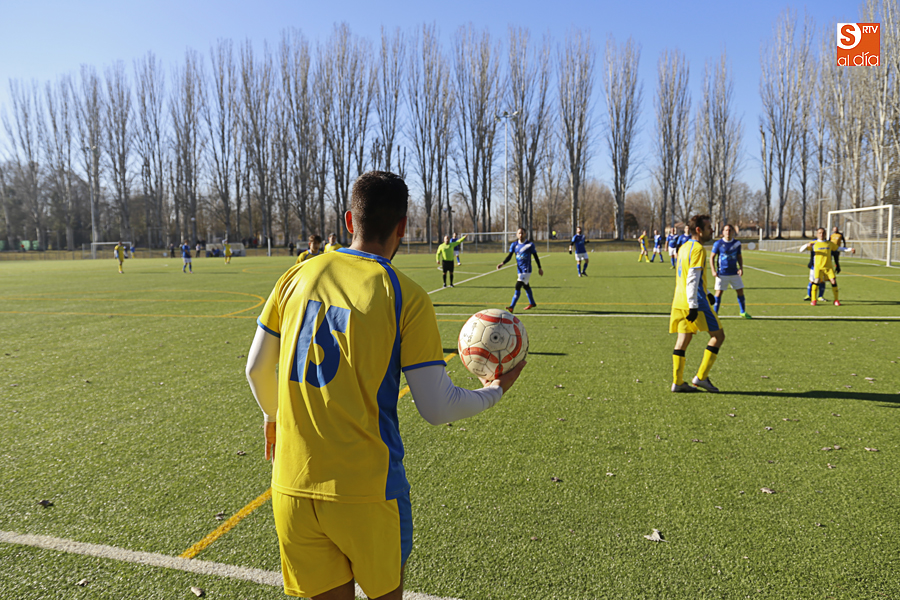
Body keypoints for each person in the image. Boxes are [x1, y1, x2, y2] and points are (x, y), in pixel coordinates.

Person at [245, 170, 525, 600]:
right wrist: (495, 391)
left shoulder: (297, 275)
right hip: (368, 494)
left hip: (292, 486)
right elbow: (436, 406)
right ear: (402, 227)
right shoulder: (404, 295)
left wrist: (273, 414)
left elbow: (255, 369)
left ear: (348, 220)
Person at [670, 214, 724, 393]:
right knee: (718, 336)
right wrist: (694, 305)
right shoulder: (699, 249)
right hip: (694, 302)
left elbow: (686, 276)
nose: (712, 230)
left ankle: (677, 382)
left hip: (679, 300)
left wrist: (707, 292)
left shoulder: (684, 247)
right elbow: (692, 278)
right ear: (699, 230)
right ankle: (701, 377)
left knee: (683, 339)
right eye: (709, 227)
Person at [799, 228, 855, 306]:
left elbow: (839, 248)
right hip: (818, 267)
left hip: (828, 267)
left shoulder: (829, 243)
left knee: (833, 281)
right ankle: (813, 300)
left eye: (823, 233)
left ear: (825, 234)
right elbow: (801, 250)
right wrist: (806, 245)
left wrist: (850, 249)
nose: (821, 234)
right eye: (820, 233)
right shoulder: (814, 243)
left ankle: (836, 300)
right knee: (816, 281)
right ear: (817, 234)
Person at [497, 228, 543, 313]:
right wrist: (502, 263)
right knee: (526, 286)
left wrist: (539, 268)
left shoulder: (529, 245)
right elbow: (510, 256)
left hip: (527, 269)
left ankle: (512, 306)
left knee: (518, 286)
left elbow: (536, 256)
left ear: (525, 234)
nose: (521, 235)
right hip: (519, 270)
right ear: (516, 235)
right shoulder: (514, 245)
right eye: (519, 233)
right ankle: (532, 303)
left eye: (522, 233)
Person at [710, 224, 752, 318]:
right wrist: (713, 270)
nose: (728, 232)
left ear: (733, 232)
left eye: (730, 230)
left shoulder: (737, 243)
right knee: (718, 293)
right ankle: (715, 314)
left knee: (740, 291)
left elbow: (739, 257)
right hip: (722, 273)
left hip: (734, 273)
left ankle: (742, 311)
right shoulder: (718, 243)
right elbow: (712, 257)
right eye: (726, 230)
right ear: (723, 232)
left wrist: (741, 268)